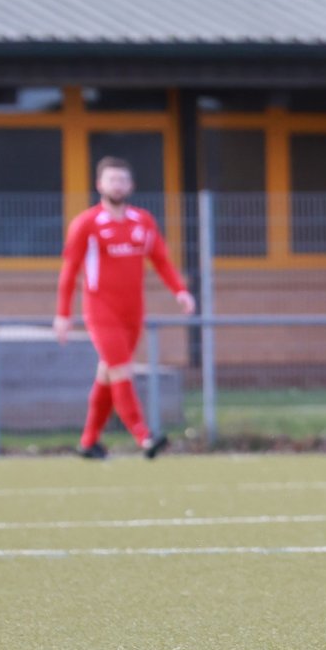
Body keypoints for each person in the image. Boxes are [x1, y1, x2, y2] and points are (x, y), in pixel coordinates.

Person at [54, 157, 195, 460]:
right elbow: (69, 272)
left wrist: (180, 291)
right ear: (99, 185)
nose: (117, 185)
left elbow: (161, 260)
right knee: (121, 369)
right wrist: (63, 314)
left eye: (122, 180)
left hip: (133, 312)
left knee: (108, 374)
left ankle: (89, 441)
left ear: (130, 186)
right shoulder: (86, 224)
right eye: (111, 180)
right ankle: (144, 437)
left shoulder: (142, 221)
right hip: (100, 310)